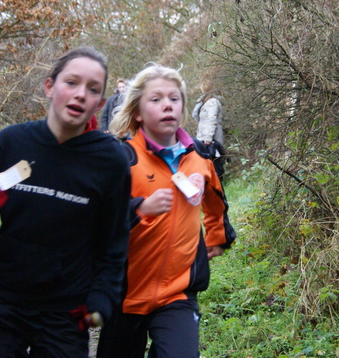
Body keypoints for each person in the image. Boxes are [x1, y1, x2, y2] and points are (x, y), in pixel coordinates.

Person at [0, 47, 131, 358]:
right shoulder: (12, 142)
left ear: (101, 104)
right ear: (50, 86)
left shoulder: (110, 160)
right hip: (4, 303)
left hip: (65, 315)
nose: (80, 95)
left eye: (92, 89)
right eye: (71, 83)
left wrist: (103, 298)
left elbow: (114, 242)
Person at [96, 64, 236, 358]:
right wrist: (139, 208)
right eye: (156, 99)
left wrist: (218, 236)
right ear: (137, 111)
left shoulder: (198, 156)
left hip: (178, 291)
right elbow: (99, 218)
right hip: (125, 294)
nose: (167, 105)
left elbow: (215, 199)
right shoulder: (123, 159)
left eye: (174, 98)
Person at [192, 80, 226, 182]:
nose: (200, 87)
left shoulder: (212, 102)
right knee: (205, 168)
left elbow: (212, 119)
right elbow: (196, 117)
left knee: (215, 169)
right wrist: (199, 101)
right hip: (204, 139)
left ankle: (219, 192)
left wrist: (208, 138)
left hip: (211, 141)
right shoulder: (205, 102)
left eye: (202, 85)